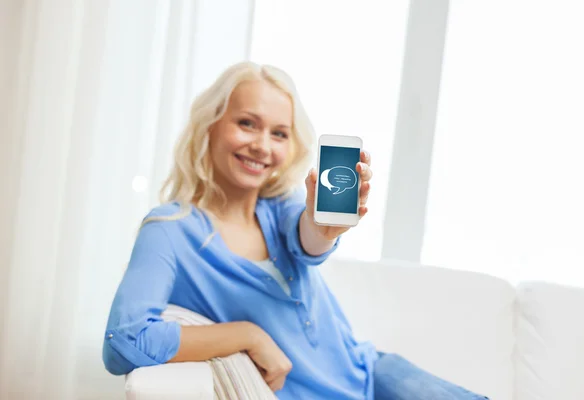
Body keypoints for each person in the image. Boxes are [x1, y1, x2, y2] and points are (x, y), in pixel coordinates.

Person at [102, 62, 488, 400]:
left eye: (279, 133)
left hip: (374, 374)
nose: (261, 146)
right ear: (211, 125)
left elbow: (308, 241)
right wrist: (247, 335)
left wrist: (325, 227)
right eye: (247, 123)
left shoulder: (281, 208)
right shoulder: (170, 229)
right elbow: (123, 341)